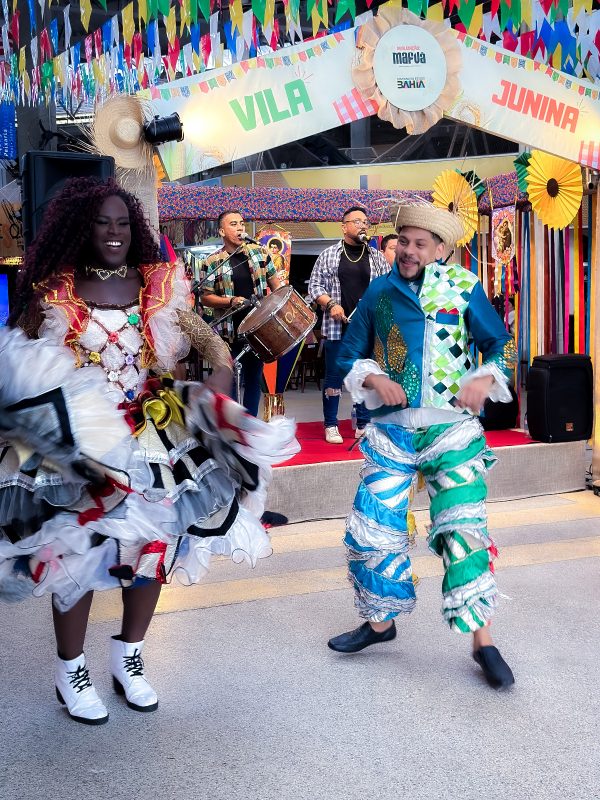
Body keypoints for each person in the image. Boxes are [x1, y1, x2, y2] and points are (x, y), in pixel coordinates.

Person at [0, 178, 297, 725]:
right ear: (80, 228)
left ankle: (128, 658)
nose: (114, 233)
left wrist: (211, 403)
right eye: (102, 223)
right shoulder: (53, 292)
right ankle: (71, 673)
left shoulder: (157, 287)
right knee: (76, 557)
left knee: (150, 553)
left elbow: (215, 347)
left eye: (122, 223)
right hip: (79, 450)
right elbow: (13, 356)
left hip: (150, 439)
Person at [327, 201, 517, 690]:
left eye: (419, 244)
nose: (408, 251)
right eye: (403, 241)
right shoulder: (378, 292)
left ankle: (483, 641)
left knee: (463, 528)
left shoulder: (464, 289)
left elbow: (502, 345)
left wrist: (483, 377)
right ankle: (379, 623)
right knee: (373, 527)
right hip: (391, 432)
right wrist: (370, 374)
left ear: (441, 250)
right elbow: (348, 353)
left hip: (450, 430)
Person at [308, 206, 389, 444]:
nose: (363, 225)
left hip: (367, 330)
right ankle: (331, 425)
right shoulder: (330, 254)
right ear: (344, 227)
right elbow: (314, 287)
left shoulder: (376, 257)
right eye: (357, 221)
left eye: (366, 222)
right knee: (334, 377)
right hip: (337, 328)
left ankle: (363, 424)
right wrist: (331, 304)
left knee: (365, 376)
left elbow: (386, 289)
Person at [201, 210, 281, 416]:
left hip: (258, 331)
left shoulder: (260, 253)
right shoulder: (212, 262)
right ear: (221, 231)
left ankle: (250, 426)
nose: (240, 228)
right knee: (231, 382)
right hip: (229, 332)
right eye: (233, 224)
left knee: (254, 380)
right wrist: (230, 301)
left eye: (242, 224)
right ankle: (234, 426)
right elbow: (205, 297)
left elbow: (278, 287)